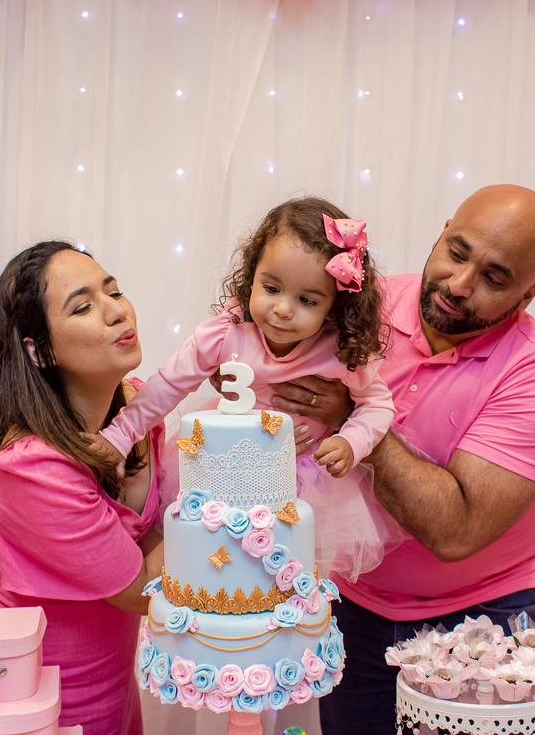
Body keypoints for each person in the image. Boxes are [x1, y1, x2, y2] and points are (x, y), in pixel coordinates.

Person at [267, 185, 535, 735]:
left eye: (494, 278)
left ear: (528, 295)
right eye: (457, 253)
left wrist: (351, 416)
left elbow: (454, 531)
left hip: (489, 614)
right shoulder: (362, 305)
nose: (460, 286)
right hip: (354, 601)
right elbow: (266, 347)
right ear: (440, 232)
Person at [91, 197, 399, 581]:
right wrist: (120, 435)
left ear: (335, 307)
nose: (283, 309)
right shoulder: (225, 333)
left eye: (306, 300)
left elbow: (378, 404)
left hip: (302, 481)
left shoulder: (341, 351)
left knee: (278, 581)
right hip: (224, 469)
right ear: (252, 277)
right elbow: (169, 385)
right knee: (211, 567)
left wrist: (352, 440)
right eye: (271, 288)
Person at [0, 241, 165, 735]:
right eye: (83, 306)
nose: (117, 310)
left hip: (114, 678)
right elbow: (143, 592)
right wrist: (222, 501)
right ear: (39, 350)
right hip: (38, 690)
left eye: (114, 291)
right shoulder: (33, 468)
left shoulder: (143, 411)